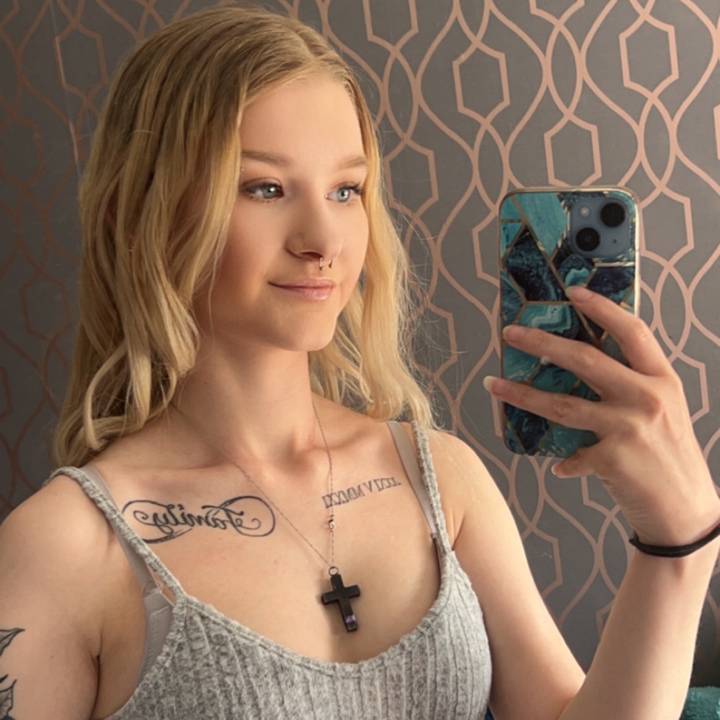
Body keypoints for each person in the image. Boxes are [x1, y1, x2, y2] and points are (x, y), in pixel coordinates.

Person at [0, 5, 718, 720]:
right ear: (142, 212)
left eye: (346, 190)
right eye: (264, 188)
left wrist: (679, 543)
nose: (323, 239)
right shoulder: (65, 548)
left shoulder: (440, 478)